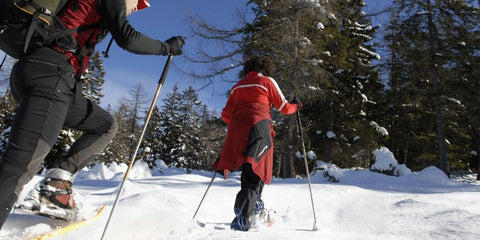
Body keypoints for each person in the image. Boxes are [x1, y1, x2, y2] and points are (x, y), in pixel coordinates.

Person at [0, 0, 185, 229]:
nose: (139, 6)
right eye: (138, 1)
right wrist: (166, 47)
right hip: (51, 75)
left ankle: (57, 188)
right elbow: (127, 38)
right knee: (19, 167)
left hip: (50, 77)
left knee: (105, 125)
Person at [212, 55, 301, 231]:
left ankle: (255, 205)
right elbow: (283, 107)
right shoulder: (267, 81)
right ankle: (243, 216)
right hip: (259, 127)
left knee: (249, 166)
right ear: (266, 68)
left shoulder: (237, 87)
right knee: (254, 168)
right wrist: (296, 105)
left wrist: (240, 122)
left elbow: (225, 114)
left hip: (237, 130)